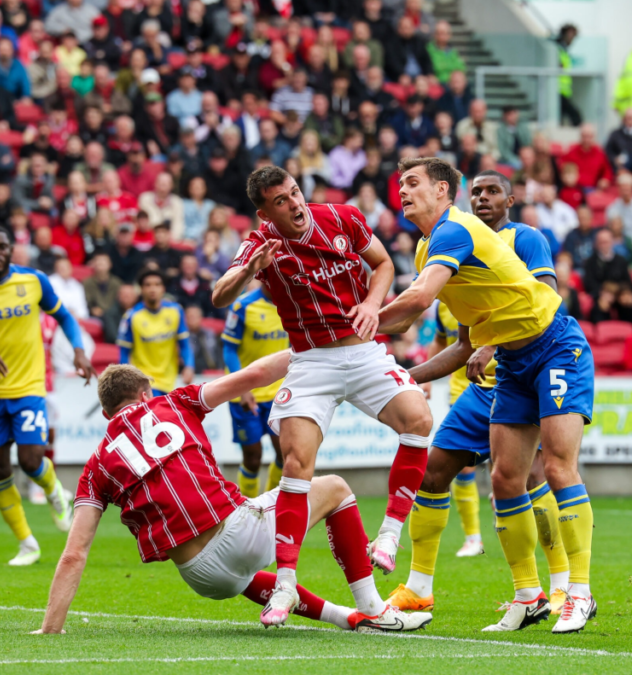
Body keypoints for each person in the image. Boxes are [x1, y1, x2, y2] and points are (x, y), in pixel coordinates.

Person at [33, 362, 432, 635]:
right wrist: (318, 353)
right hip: (238, 534)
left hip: (202, 577)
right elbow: (257, 374)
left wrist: (51, 627)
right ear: (145, 392)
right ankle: (374, 609)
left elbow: (74, 553)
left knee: (243, 572)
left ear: (107, 414)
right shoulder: (171, 402)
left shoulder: (96, 464)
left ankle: (348, 618)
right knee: (336, 489)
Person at [377, 157, 596, 634]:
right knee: (503, 478)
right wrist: (402, 377)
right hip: (511, 367)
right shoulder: (427, 249)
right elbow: (463, 343)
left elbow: (415, 302)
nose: (403, 191)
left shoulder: (459, 232)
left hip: (554, 347)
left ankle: (576, 591)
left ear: (441, 190)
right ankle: (528, 596)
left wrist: (359, 328)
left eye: (413, 182)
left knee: (556, 467)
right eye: (400, 184)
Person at [212, 165, 432, 626]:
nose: (293, 204)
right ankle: (286, 585)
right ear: (264, 211)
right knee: (295, 465)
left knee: (419, 420)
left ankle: (390, 534)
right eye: (281, 201)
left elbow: (385, 264)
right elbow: (218, 295)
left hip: (365, 351)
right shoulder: (259, 244)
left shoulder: (342, 217)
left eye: (295, 193)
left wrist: (372, 305)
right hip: (312, 362)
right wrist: (249, 271)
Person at [0, 225, 93, 566]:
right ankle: (27, 543)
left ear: (11, 251)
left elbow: (65, 316)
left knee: (29, 460)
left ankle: (55, 491)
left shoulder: (33, 281)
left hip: (28, 389)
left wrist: (80, 352)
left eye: (1, 247)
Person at [222, 286, 288, 499]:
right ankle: (247, 507)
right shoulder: (243, 306)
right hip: (244, 393)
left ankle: (269, 505)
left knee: (285, 454)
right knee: (252, 457)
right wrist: (243, 387)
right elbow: (229, 349)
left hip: (280, 392)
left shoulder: (293, 301)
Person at [117, 267, 195, 396]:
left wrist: (189, 366)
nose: (153, 289)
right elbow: (124, 352)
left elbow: (184, 345)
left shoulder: (176, 311)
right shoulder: (131, 317)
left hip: (170, 380)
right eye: (148, 285)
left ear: (163, 288)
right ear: (141, 289)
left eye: (157, 284)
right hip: (144, 382)